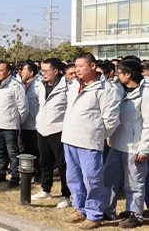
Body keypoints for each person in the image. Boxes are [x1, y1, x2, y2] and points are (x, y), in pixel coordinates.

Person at [61, 53, 120, 229]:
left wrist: (97, 134)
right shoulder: (74, 85)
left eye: (81, 66)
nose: (77, 69)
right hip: (70, 138)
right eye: (76, 66)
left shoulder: (106, 89)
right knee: (73, 178)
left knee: (92, 179)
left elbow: (111, 119)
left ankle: (94, 214)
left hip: (89, 141)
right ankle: (79, 207)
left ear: (93, 66)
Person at [103, 60, 149, 229]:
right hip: (117, 143)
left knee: (134, 183)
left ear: (128, 74)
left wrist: (144, 149)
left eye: (120, 72)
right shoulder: (119, 89)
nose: (117, 74)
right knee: (110, 178)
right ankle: (107, 210)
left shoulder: (145, 94)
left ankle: (135, 215)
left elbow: (148, 124)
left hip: (134, 147)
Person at [31, 58, 71, 209]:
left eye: (46, 71)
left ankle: (65, 195)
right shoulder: (40, 85)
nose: (43, 74)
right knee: (44, 161)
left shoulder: (67, 87)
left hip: (59, 129)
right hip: (42, 128)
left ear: (56, 71)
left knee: (62, 165)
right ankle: (45, 189)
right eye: (42, 71)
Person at [0, 61, 28, 189]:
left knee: (13, 153)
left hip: (10, 126)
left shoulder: (15, 86)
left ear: (8, 72)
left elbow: (23, 107)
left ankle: (15, 177)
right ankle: (1, 173)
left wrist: (16, 121)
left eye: (0, 70)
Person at [19, 62, 41, 183]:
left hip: (35, 123)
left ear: (31, 72)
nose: (22, 72)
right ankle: (29, 172)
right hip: (25, 123)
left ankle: (39, 174)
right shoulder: (23, 84)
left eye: (24, 70)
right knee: (25, 149)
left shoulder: (38, 85)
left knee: (36, 151)